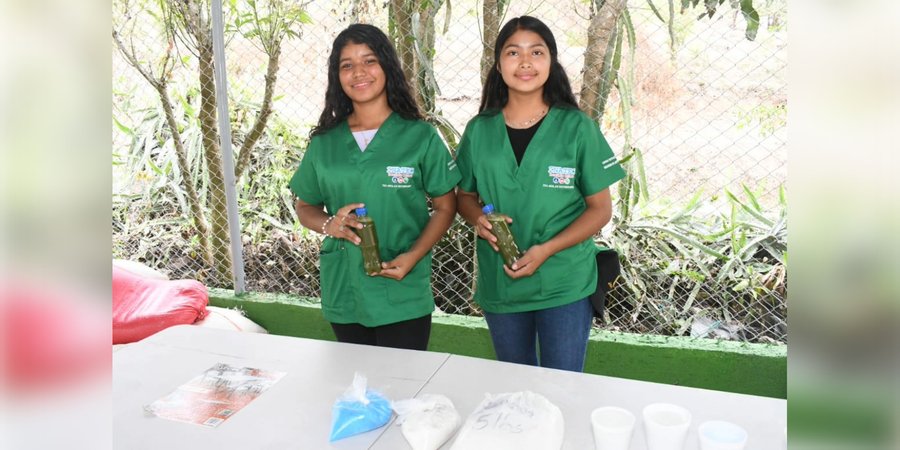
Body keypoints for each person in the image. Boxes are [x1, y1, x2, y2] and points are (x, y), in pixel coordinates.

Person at [455, 16, 626, 371]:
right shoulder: (479, 130)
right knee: (515, 385)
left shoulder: (578, 128)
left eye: (537, 51)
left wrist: (547, 249)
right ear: (499, 64)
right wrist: (478, 219)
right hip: (502, 278)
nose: (526, 62)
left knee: (561, 384)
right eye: (513, 52)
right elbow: (463, 195)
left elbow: (599, 210)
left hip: (564, 281)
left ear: (552, 61)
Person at [289, 24, 459, 350]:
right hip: (345, 285)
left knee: (402, 388)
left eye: (369, 61)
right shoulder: (324, 142)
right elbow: (305, 206)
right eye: (347, 65)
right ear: (337, 76)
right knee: (359, 390)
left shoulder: (419, 136)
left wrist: (414, 255)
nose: (359, 72)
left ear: (387, 66)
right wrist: (329, 224)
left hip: (402, 282)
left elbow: (445, 206)